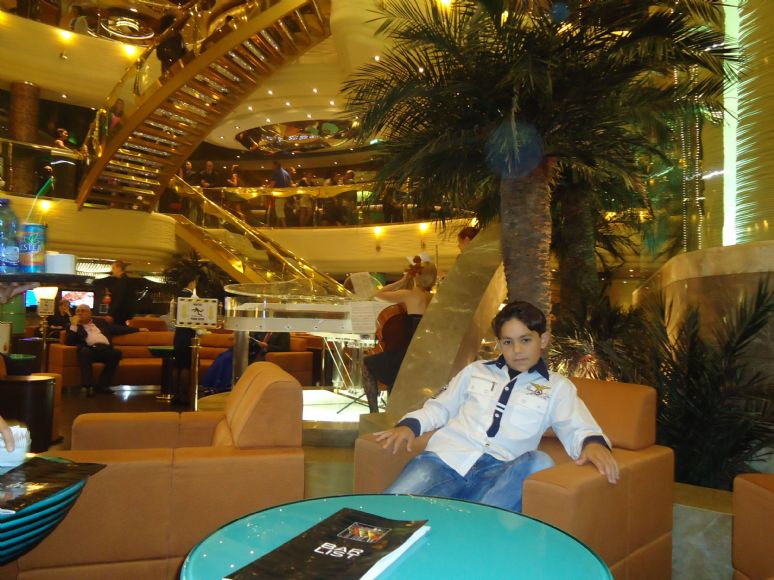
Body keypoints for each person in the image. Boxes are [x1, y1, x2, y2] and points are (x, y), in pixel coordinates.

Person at [375, 300, 620, 513]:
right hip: (444, 461)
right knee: (385, 513)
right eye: (508, 342)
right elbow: (441, 407)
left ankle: (476, 526)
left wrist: (592, 444)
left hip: (498, 473)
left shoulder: (556, 387)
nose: (517, 350)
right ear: (499, 343)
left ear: (543, 339)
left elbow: (576, 425)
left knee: (541, 461)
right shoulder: (475, 371)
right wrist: (409, 426)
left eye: (525, 340)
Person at [362, 260, 438, 412]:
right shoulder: (433, 298)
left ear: (415, 276)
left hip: (407, 353)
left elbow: (378, 294)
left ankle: (374, 412)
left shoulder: (410, 295)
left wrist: (402, 281)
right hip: (423, 351)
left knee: (367, 364)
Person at [65, 304, 141, 396]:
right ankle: (88, 386)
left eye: (83, 310)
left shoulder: (100, 322)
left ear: (90, 313)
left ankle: (102, 385)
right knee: (84, 352)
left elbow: (117, 329)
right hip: (89, 350)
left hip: (104, 349)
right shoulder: (72, 326)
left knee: (116, 353)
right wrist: (74, 325)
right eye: (78, 311)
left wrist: (138, 329)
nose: (80, 313)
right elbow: (69, 342)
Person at [202, 331, 290, 393]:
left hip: (264, 355)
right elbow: (253, 341)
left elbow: (284, 349)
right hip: (251, 352)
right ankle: (213, 385)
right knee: (223, 358)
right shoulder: (261, 330)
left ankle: (224, 386)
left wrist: (266, 346)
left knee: (230, 360)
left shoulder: (283, 333)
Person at [171, 275, 197, 406]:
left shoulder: (176, 297)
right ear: (191, 282)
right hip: (188, 333)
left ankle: (175, 394)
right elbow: (197, 318)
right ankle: (184, 395)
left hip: (178, 333)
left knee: (177, 364)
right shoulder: (192, 297)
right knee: (186, 365)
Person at [104, 260, 134, 325]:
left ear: (119, 268)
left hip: (120, 315)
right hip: (122, 314)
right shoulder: (124, 280)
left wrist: (111, 314)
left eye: (113, 268)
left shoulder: (123, 281)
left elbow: (119, 299)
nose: (112, 270)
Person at [268, 161, 293, 227]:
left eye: (272, 165)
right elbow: (291, 184)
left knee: (279, 210)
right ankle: (278, 225)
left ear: (275, 165)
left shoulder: (276, 172)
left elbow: (272, 184)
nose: (272, 167)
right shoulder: (286, 173)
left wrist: (267, 189)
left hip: (279, 194)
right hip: (286, 194)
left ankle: (284, 226)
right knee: (280, 209)